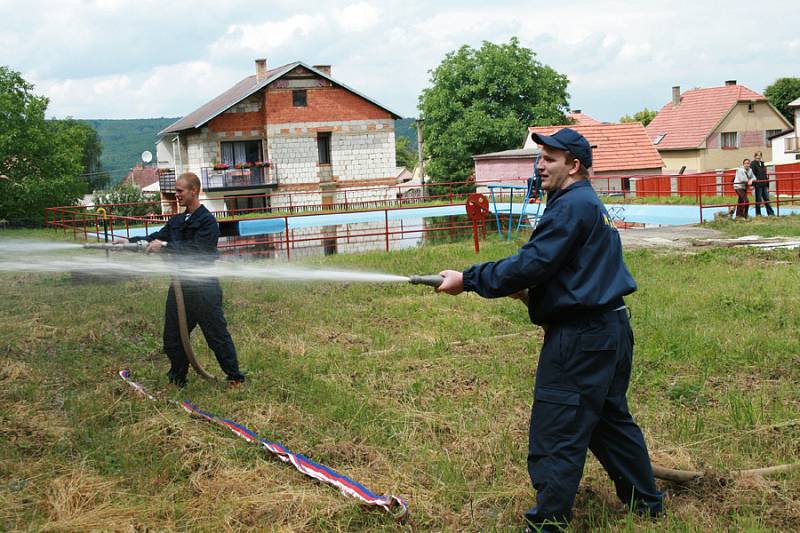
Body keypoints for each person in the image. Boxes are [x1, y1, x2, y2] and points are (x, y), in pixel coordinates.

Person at [437, 128, 662, 531]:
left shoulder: (572, 205)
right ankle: (646, 503)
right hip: (610, 327)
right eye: (539, 157)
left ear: (574, 166)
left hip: (581, 337)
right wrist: (531, 293)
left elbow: (533, 263)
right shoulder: (582, 203)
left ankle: (548, 523)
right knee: (609, 422)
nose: (540, 165)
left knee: (558, 427)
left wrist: (469, 279)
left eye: (550, 159)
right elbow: (569, 270)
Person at [121, 172, 245, 388]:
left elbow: (200, 249)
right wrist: (129, 243)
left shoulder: (207, 222)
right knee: (173, 337)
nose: (176, 195)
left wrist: (167, 247)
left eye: (180, 191)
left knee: (216, 335)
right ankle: (177, 379)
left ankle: (235, 377)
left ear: (193, 191)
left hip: (203, 289)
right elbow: (155, 238)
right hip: (180, 288)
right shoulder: (177, 220)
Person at [750, 152, 774, 216]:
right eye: (757, 156)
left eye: (760, 155)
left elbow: (764, 174)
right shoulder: (753, 164)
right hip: (758, 184)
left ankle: (771, 213)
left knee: (767, 199)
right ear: (754, 156)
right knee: (758, 200)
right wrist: (753, 184)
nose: (759, 157)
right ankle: (758, 214)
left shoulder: (762, 164)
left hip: (764, 184)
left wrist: (767, 183)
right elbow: (752, 174)